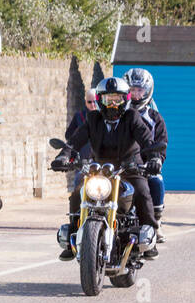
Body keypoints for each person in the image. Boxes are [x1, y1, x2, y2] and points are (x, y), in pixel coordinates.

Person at [51, 76, 159, 261]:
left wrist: (154, 158)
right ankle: (72, 239)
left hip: (128, 168)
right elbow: (75, 141)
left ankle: (150, 238)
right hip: (99, 170)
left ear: (125, 100)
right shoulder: (93, 119)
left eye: (117, 99)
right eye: (108, 99)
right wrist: (63, 156)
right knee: (78, 194)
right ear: (101, 100)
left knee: (142, 192)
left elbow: (146, 140)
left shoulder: (132, 117)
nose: (112, 104)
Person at [125, 67, 167, 254]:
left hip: (142, 167)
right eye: (132, 90)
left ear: (147, 91)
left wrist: (155, 160)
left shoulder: (154, 117)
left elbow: (161, 142)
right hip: (119, 165)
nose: (135, 95)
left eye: (139, 91)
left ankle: (155, 224)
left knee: (156, 180)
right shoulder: (116, 114)